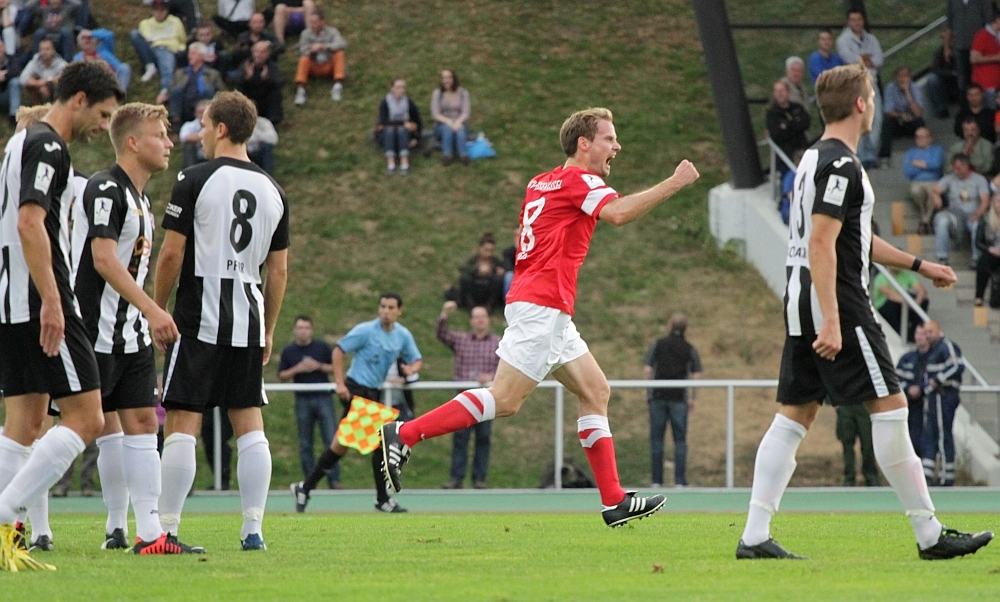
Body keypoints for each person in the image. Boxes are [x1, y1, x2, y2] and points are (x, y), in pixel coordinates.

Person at [378, 107, 700, 529]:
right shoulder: (579, 181)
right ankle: (404, 434)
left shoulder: (540, 182)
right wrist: (675, 182)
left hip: (544, 305)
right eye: (609, 139)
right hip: (542, 305)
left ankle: (614, 501)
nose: (617, 147)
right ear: (584, 143)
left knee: (595, 391)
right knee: (505, 399)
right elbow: (619, 214)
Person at [736, 62, 991, 561]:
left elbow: (851, 236)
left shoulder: (813, 157)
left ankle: (754, 535)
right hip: (839, 302)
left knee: (794, 414)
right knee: (891, 409)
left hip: (801, 300)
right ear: (860, 104)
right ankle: (930, 535)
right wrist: (833, 319)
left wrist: (920, 264)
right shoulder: (843, 166)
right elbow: (822, 242)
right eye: (871, 97)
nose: (873, 105)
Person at [0, 60, 124, 572]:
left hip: (11, 300)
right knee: (88, 417)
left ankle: (5, 537)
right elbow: (30, 223)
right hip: (38, 301)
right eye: (103, 114)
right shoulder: (49, 145)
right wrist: (52, 299)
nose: (104, 125)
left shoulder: (17, 143)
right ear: (79, 100)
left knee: (25, 423)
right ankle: (5, 513)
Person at [153, 91, 289, 552]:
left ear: (222, 129)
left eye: (206, 126)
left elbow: (171, 254)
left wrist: (158, 308)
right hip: (247, 318)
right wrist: (268, 328)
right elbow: (278, 271)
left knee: (182, 420)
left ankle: (167, 529)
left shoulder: (194, 178)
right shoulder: (274, 190)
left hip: (199, 316)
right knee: (248, 421)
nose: (202, 134)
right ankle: (253, 530)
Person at [70, 102, 202, 554]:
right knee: (70, 428)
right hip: (93, 331)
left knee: (142, 423)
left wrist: (143, 316)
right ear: (132, 141)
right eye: (159, 135)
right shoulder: (106, 187)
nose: (169, 143)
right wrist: (153, 309)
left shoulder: (141, 199)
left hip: (130, 335)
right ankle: (18, 515)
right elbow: (103, 259)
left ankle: (149, 534)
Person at [291, 293, 421, 514]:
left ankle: (305, 487)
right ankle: (382, 499)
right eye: (383, 306)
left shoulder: (402, 335)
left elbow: (416, 359)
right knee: (380, 444)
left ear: (399, 311)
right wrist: (340, 384)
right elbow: (339, 350)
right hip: (356, 390)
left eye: (391, 307)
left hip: (373, 393)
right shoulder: (366, 331)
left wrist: (411, 369)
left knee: (340, 446)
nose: (386, 311)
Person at [437, 301, 500, 490]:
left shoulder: (498, 343)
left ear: (488, 320)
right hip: (463, 399)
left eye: (483, 317)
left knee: (483, 438)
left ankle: (480, 479)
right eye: (476, 317)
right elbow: (441, 334)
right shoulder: (461, 340)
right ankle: (456, 478)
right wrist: (444, 314)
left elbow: (506, 368)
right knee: (460, 439)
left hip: (486, 398)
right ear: (471, 321)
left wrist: (491, 377)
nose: (480, 320)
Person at [278, 316, 339, 490]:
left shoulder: (321, 347)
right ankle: (309, 482)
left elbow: (334, 368)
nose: (303, 331)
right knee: (306, 444)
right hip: (302, 400)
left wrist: (318, 366)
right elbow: (281, 375)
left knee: (331, 440)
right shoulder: (289, 351)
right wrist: (298, 369)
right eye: (299, 328)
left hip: (323, 398)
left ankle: (334, 480)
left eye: (306, 328)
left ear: (311, 330)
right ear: (294, 330)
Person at [642, 313, 702, 489]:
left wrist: (648, 392)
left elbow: (647, 369)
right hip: (679, 399)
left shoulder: (658, 344)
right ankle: (680, 481)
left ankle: (656, 481)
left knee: (656, 440)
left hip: (658, 397)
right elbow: (696, 375)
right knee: (680, 441)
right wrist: (693, 398)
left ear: (669, 327)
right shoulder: (689, 349)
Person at [837, 10, 883, 168]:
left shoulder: (871, 39)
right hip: (855, 84)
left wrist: (863, 59)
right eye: (853, 20)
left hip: (871, 83)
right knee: (859, 119)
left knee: (876, 118)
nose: (857, 23)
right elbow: (850, 59)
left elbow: (879, 59)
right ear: (849, 22)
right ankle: (862, 156)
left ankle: (872, 153)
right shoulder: (843, 40)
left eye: (859, 19)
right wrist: (865, 59)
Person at [920, 321, 964, 487]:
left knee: (943, 435)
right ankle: (927, 475)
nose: (928, 335)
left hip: (943, 395)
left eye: (930, 331)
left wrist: (937, 380)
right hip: (934, 397)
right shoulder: (932, 350)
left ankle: (947, 476)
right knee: (930, 435)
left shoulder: (946, 346)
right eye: (926, 332)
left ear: (939, 330)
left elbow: (957, 365)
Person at [931, 153, 990, 267]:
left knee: (976, 226)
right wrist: (936, 197)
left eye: (958, 168)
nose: (956, 171)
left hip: (973, 214)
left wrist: (978, 214)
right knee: (942, 221)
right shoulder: (950, 178)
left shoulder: (979, 179)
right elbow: (935, 189)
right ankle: (942, 258)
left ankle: (976, 258)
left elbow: (985, 200)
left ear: (966, 166)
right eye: (954, 168)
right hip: (955, 214)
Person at [130, 0, 187, 97]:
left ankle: (165, 90)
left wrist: (179, 49)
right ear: (152, 11)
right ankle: (150, 66)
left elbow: (183, 40)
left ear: (167, 10)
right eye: (156, 10)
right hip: (151, 50)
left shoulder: (175, 21)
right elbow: (144, 40)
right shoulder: (145, 23)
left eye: (162, 10)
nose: (159, 13)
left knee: (167, 64)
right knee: (135, 34)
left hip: (168, 49)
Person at [166, 43, 226, 130]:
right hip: (185, 103)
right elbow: (170, 89)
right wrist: (164, 94)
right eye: (189, 53)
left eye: (193, 53)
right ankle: (175, 125)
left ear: (202, 56)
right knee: (176, 91)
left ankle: (208, 122)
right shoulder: (180, 73)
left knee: (209, 90)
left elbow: (222, 91)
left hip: (203, 102)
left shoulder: (213, 73)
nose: (189, 56)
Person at [293, 9, 345, 105]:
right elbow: (300, 50)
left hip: (329, 65)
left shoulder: (332, 32)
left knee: (339, 54)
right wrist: (311, 50)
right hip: (313, 65)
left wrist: (324, 46)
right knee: (304, 58)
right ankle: (301, 90)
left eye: (315, 22)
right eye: (311, 22)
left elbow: (342, 43)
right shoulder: (305, 34)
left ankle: (338, 86)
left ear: (323, 22)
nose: (313, 25)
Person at [897, 324, 931, 457]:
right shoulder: (907, 358)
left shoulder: (934, 357)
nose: (919, 337)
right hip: (908, 403)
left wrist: (921, 389)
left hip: (926, 403)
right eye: (917, 333)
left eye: (922, 334)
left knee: (921, 440)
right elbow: (896, 378)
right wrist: (908, 388)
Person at [450, 232, 505, 312]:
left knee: (499, 279)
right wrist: (477, 269)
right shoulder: (473, 259)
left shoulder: (494, 260)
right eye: (486, 250)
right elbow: (462, 267)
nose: (488, 254)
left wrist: (498, 270)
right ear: (480, 248)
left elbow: (502, 269)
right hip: (474, 286)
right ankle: (470, 305)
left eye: (491, 251)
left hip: (487, 288)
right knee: (465, 277)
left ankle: (489, 306)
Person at [948, 0, 994, 95]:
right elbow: (950, 22)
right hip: (960, 46)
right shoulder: (952, 1)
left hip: (978, 47)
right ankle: (965, 101)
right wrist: (947, 46)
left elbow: (989, 22)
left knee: (979, 78)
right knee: (962, 79)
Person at [904, 128, 945, 235]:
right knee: (915, 191)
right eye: (917, 137)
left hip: (934, 181)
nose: (919, 139)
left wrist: (917, 164)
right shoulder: (911, 152)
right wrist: (926, 165)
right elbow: (908, 171)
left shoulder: (937, 150)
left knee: (933, 193)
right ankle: (926, 221)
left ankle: (924, 222)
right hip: (916, 182)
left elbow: (937, 165)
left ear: (929, 138)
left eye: (922, 137)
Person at [765, 80, 810, 178]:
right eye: (777, 91)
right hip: (785, 157)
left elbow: (806, 124)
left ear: (788, 91)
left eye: (782, 91)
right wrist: (795, 124)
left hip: (803, 149)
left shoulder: (797, 107)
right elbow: (776, 135)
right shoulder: (772, 114)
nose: (779, 94)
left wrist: (787, 126)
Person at [376, 78, 421, 175]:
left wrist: (416, 138)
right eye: (398, 87)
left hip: (405, 134)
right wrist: (403, 123)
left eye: (403, 88)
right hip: (387, 134)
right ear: (392, 88)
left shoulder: (409, 103)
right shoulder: (385, 103)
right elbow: (384, 122)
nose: (401, 90)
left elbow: (417, 122)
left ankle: (404, 162)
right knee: (390, 130)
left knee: (401, 130)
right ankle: (390, 163)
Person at [879, 66, 924, 161]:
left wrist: (907, 92)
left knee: (920, 122)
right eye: (900, 76)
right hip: (898, 122)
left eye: (905, 76)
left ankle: (924, 151)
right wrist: (901, 115)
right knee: (887, 122)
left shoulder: (915, 88)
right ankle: (885, 156)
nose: (902, 79)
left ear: (910, 77)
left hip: (912, 122)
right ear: (896, 77)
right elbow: (888, 111)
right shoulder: (890, 88)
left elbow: (918, 113)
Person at [871, 267, 928, 342]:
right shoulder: (881, 277)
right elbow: (890, 294)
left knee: (924, 302)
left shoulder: (907, 275)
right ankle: (899, 333)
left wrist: (918, 300)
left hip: (903, 304)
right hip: (884, 306)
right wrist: (910, 303)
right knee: (892, 305)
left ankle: (914, 333)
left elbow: (922, 290)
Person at [233, 40, 282, 126]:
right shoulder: (246, 65)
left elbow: (278, 83)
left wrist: (266, 79)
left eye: (263, 52)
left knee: (275, 93)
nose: (259, 55)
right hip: (249, 98)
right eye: (257, 52)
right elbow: (237, 84)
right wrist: (247, 78)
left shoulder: (271, 66)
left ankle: (273, 120)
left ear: (268, 54)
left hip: (265, 99)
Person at [431, 68, 471, 166]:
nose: (446, 80)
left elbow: (465, 113)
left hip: (459, 122)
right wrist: (448, 121)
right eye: (444, 78)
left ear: (453, 79)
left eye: (448, 77)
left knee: (460, 129)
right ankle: (447, 155)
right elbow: (436, 114)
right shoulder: (437, 94)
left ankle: (463, 156)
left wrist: (458, 122)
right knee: (447, 128)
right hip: (442, 124)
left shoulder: (463, 93)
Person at [73, 29, 131, 94]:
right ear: (79, 43)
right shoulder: (78, 57)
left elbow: (109, 35)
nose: (87, 40)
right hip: (95, 83)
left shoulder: (104, 50)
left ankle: (120, 95)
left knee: (125, 67)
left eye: (89, 38)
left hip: (114, 79)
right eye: (83, 38)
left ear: (95, 41)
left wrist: (91, 33)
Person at [835, 403, 878, 487]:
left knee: (868, 444)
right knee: (847, 444)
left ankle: (871, 476)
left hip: (864, 405)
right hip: (845, 405)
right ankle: (849, 477)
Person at [20, 38, 66, 106]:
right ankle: (38, 108)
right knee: (30, 84)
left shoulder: (60, 63)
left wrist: (47, 81)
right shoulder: (35, 61)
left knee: (58, 83)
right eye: (42, 49)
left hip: (56, 91)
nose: (44, 52)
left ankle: (58, 107)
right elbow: (23, 78)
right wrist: (39, 84)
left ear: (53, 50)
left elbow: (66, 76)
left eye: (47, 49)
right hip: (40, 90)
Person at [973, 193, 1000, 306]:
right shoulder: (985, 220)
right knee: (983, 262)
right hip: (991, 253)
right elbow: (978, 243)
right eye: (998, 201)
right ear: (993, 203)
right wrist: (990, 249)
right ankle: (979, 296)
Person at [926, 28, 959, 119]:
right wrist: (951, 73)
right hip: (947, 82)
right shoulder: (939, 52)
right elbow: (935, 69)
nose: (945, 40)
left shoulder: (958, 49)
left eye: (948, 37)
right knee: (932, 79)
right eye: (943, 37)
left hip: (959, 81)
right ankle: (941, 109)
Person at [970, 14, 1000, 109]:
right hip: (986, 84)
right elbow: (974, 58)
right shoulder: (982, 35)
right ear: (997, 20)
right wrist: (996, 58)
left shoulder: (998, 36)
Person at [179, 99, 209, 167]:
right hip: (195, 156)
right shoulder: (189, 125)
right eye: (200, 112)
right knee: (189, 145)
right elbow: (184, 137)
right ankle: (189, 169)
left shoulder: (216, 125)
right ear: (195, 114)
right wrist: (206, 137)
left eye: (204, 112)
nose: (202, 114)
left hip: (210, 156)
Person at [0, 39, 21, 127]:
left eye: (1, 47)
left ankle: (14, 116)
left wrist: (5, 75)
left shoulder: (12, 59)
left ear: (5, 48)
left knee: (15, 82)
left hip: (7, 97)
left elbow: (16, 71)